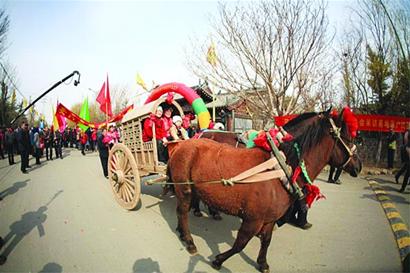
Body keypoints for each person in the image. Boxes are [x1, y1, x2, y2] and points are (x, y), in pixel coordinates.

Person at [396, 128, 410, 193]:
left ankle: (403, 187)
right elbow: (406, 146)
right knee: (406, 172)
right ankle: (402, 187)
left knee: (406, 172)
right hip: (408, 156)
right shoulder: (407, 133)